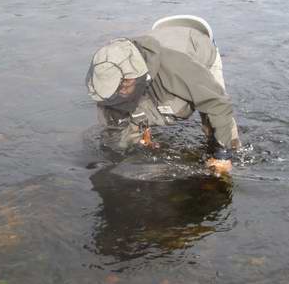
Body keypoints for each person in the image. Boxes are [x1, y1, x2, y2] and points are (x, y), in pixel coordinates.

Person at [85, 15, 241, 175]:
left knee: (215, 122)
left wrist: (223, 155)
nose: (121, 93)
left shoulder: (178, 67)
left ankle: (232, 152)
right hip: (162, 45)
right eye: (116, 92)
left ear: (134, 76)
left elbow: (217, 103)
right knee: (126, 125)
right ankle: (144, 135)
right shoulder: (110, 75)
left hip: (196, 48)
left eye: (124, 86)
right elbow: (113, 131)